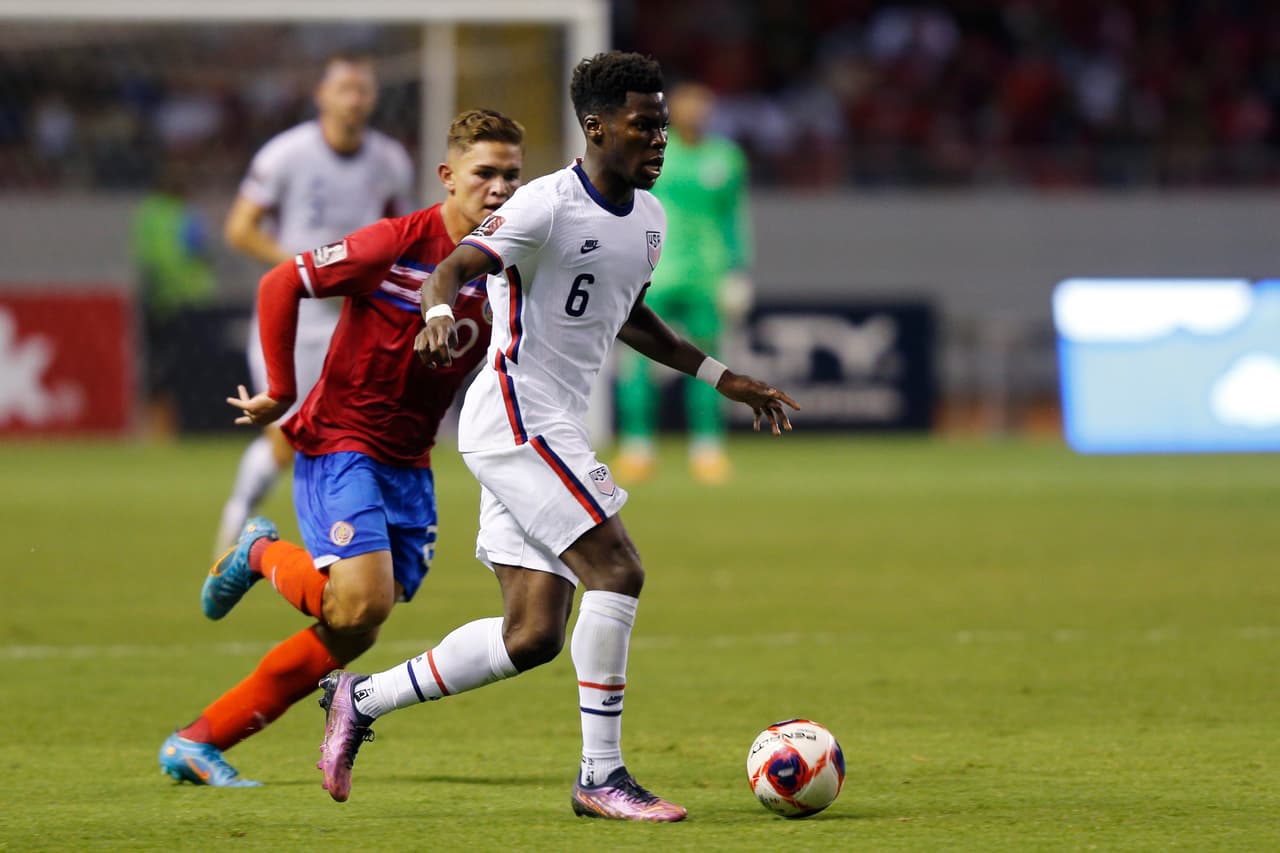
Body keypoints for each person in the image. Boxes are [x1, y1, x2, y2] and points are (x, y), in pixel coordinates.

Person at [314, 51, 798, 821]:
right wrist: (438, 316)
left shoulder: (651, 216)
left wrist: (720, 376)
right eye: (644, 126)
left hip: (552, 423)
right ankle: (600, 776)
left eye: (663, 126)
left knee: (533, 631)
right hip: (516, 414)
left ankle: (358, 696)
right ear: (598, 126)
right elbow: (452, 268)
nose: (660, 140)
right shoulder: (544, 203)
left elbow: (632, 316)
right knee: (618, 567)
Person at [158, 109, 526, 787]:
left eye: (511, 174)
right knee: (363, 603)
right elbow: (282, 281)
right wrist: (280, 386)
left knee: (355, 625)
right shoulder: (395, 242)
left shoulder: (511, 259)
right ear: (447, 177)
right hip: (341, 439)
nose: (500, 187)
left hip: (409, 459)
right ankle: (260, 552)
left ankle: (197, 739)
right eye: (484, 173)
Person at [214, 51, 415, 554]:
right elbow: (239, 228)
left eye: (363, 89)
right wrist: (303, 270)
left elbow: (401, 236)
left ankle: (352, 543)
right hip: (296, 317)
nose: (354, 99)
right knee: (287, 439)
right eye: (344, 88)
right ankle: (237, 519)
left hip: (357, 319)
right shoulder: (285, 154)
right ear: (322, 95)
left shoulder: (390, 161)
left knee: (360, 438)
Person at [614, 81, 754, 485]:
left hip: (706, 277)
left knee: (708, 362)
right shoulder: (653, 150)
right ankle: (637, 448)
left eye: (702, 108)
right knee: (638, 360)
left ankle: (707, 449)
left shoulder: (726, 158)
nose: (696, 115)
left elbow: (733, 217)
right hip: (653, 273)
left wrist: (738, 269)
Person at [131, 169, 217, 438]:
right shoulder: (186, 215)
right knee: (188, 366)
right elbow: (200, 249)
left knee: (153, 364)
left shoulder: (147, 214)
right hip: (189, 300)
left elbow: (143, 256)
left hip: (155, 298)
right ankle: (183, 424)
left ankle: (152, 427)